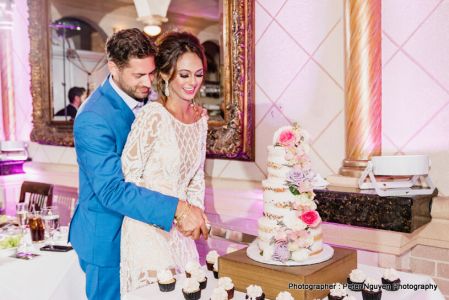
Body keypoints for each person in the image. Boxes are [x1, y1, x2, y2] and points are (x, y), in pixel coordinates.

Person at [69, 28, 208, 300]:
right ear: (114, 68)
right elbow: (111, 191)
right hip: (107, 239)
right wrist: (178, 209)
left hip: (157, 235)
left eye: (152, 72)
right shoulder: (92, 118)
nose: (148, 82)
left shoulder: (149, 100)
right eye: (138, 75)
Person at [119, 31, 209, 294]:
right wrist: (172, 213)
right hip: (146, 232)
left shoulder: (200, 120)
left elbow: (196, 177)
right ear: (166, 75)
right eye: (184, 74)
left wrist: (196, 216)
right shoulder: (152, 116)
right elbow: (129, 180)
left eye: (199, 74)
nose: (193, 82)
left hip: (182, 234)